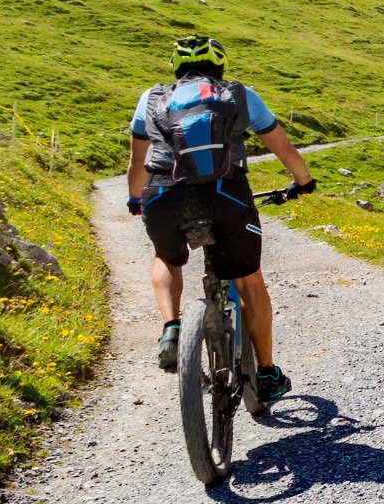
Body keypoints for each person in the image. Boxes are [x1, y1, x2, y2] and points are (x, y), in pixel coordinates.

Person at [125, 35, 315, 401]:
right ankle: (266, 373)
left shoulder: (151, 99)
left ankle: (171, 327)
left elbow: (136, 163)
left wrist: (136, 199)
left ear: (175, 68)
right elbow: (284, 148)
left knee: (167, 257)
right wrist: (302, 182)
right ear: (220, 65)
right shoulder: (240, 95)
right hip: (226, 194)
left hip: (164, 193)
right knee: (248, 280)